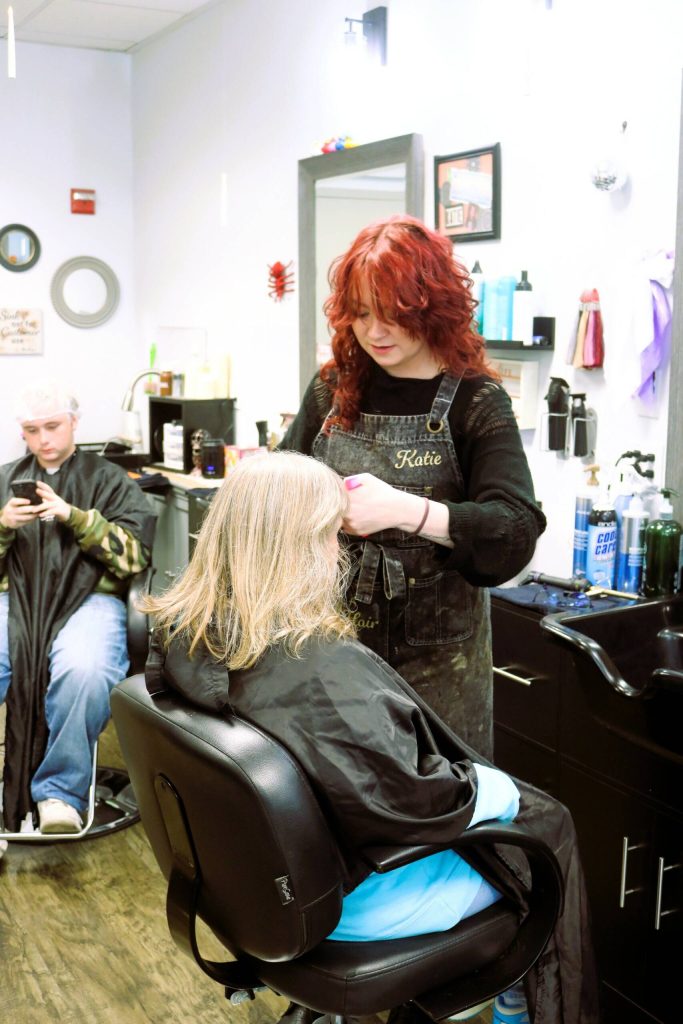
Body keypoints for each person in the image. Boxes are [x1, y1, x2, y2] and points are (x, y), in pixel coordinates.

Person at [144, 453, 599, 1024]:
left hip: (256, 886)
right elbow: (412, 803)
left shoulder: (189, 634)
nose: (340, 551)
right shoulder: (316, 670)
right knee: (549, 826)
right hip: (355, 903)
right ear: (302, 546)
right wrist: (493, 789)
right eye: (332, 534)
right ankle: (526, 995)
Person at [280, 215, 546, 760]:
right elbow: (281, 483)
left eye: (393, 315)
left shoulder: (476, 401)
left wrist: (407, 511)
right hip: (331, 647)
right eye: (361, 314)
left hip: (438, 667)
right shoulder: (333, 389)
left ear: (431, 308)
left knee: (438, 795)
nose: (375, 332)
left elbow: (515, 529)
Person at [0, 380, 155, 840]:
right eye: (32, 430)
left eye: (53, 426)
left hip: (90, 600)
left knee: (84, 670)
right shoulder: (4, 481)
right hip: (16, 602)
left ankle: (60, 794)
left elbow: (135, 558)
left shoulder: (109, 482)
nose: (44, 439)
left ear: (74, 423)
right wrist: (3, 525)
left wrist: (76, 517)